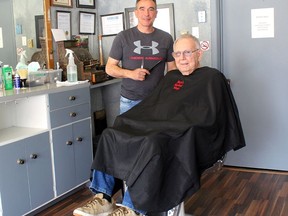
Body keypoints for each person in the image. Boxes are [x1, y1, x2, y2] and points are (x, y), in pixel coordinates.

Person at [73, 34, 246, 216]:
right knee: (111, 134)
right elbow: (153, 106)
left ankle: (132, 208)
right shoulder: (171, 77)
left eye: (187, 52)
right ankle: (104, 197)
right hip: (158, 127)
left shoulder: (212, 77)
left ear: (199, 54)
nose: (182, 58)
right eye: (177, 54)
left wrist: (180, 126)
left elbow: (212, 116)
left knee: (151, 143)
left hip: (185, 134)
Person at [105, 0, 176, 114]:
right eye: (142, 9)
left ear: (156, 13)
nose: (146, 14)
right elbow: (109, 68)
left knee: (157, 132)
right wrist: (131, 74)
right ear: (136, 13)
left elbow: (172, 69)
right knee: (129, 132)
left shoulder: (166, 38)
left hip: (158, 100)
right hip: (129, 101)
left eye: (151, 9)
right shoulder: (123, 37)